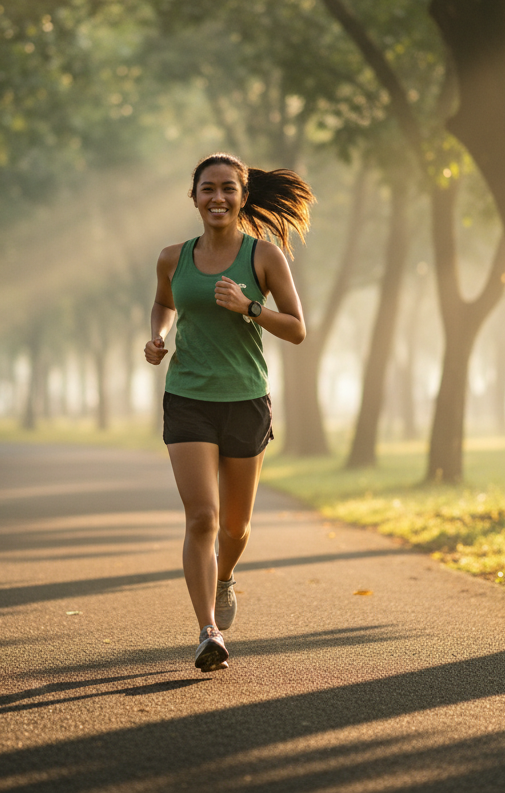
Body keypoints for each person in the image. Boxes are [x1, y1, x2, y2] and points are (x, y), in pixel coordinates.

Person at [144, 152, 314, 671]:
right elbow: (164, 303)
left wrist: (250, 307)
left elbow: (297, 329)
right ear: (193, 196)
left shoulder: (264, 257)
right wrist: (158, 336)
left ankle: (224, 578)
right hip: (189, 399)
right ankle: (207, 632)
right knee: (202, 518)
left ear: (242, 197)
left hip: (245, 400)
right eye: (207, 189)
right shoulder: (174, 257)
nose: (217, 197)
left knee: (236, 530)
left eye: (227, 189)